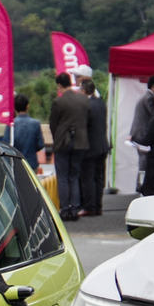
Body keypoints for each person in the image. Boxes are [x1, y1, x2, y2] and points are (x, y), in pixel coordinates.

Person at [47, 72, 88, 221]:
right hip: (80, 141)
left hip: (62, 142)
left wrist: (57, 137)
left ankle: (65, 210)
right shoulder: (83, 100)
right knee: (74, 176)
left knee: (63, 177)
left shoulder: (58, 102)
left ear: (59, 85)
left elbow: (53, 124)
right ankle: (75, 209)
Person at [79, 78, 111, 217]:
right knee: (99, 177)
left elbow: (82, 126)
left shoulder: (86, 105)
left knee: (88, 178)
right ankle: (98, 206)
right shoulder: (101, 103)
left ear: (83, 90)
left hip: (90, 147)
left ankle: (89, 206)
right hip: (102, 145)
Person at [128, 75, 154, 192]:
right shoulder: (149, 97)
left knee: (143, 159)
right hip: (142, 134)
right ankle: (141, 185)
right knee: (144, 159)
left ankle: (141, 184)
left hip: (138, 132)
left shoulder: (145, 96)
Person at [9, 93, 45, 171]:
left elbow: (7, 143)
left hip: (16, 163)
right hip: (32, 163)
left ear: (15, 107)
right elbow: (40, 144)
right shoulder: (35, 123)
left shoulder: (11, 124)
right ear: (27, 106)